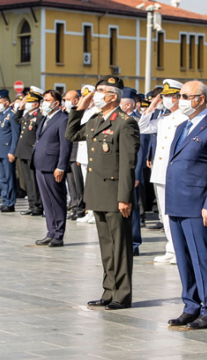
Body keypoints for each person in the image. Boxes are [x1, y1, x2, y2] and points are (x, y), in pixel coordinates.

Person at [66, 75, 140, 310]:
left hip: (116, 194)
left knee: (120, 247)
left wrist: (124, 197)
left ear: (113, 96)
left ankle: (122, 294)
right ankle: (109, 291)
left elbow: (128, 164)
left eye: (100, 91)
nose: (95, 95)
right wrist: (81, 107)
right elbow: (71, 134)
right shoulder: (95, 120)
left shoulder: (125, 122)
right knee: (106, 247)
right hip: (98, 191)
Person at [165, 81, 207, 329]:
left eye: (185, 96)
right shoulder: (183, 126)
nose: (180, 100)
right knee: (183, 259)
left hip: (198, 205)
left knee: (202, 259)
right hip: (177, 202)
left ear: (201, 99)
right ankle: (191, 306)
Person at [137, 79, 185, 264]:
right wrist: (151, 107)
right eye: (163, 96)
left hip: (175, 173)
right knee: (165, 214)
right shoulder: (164, 118)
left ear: (178, 97)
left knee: (175, 213)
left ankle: (180, 251)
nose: (164, 99)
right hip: (160, 172)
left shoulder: (184, 117)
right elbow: (143, 127)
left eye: (168, 96)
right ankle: (171, 249)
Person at [33, 90, 72, 247]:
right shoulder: (46, 118)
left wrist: (61, 167)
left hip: (53, 166)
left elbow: (65, 146)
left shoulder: (62, 119)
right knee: (47, 201)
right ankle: (51, 231)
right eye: (44, 100)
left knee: (56, 200)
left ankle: (58, 234)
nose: (44, 103)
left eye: (48, 100)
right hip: (41, 165)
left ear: (56, 103)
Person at [121, 87, 144, 255]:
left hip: (131, 171)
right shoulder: (118, 119)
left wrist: (135, 174)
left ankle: (134, 242)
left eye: (122, 103)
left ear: (130, 105)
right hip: (119, 171)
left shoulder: (137, 120)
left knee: (132, 208)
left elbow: (140, 150)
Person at [15, 87, 44, 216]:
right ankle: (32, 205)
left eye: (29, 102)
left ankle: (38, 206)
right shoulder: (27, 115)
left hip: (32, 152)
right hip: (23, 152)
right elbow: (16, 120)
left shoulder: (39, 116)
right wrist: (20, 108)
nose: (26, 104)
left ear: (36, 104)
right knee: (28, 180)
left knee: (34, 180)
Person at [0, 89, 21, 212]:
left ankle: (10, 202)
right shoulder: (1, 115)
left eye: (0, 101)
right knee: (2, 178)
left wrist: (12, 151)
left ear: (7, 102)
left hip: (7, 151)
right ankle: (5, 200)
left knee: (9, 178)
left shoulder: (12, 115)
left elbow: (15, 134)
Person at [75, 85, 100, 225]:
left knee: (93, 185)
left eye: (88, 97)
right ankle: (89, 212)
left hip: (92, 154)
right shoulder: (86, 111)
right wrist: (79, 157)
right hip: (83, 154)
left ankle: (95, 213)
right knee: (86, 186)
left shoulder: (97, 111)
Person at [63, 90, 86, 221]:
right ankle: (75, 206)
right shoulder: (67, 113)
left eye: (67, 99)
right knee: (71, 183)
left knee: (79, 183)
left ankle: (81, 208)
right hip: (68, 153)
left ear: (76, 101)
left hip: (76, 152)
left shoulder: (81, 114)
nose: (65, 101)